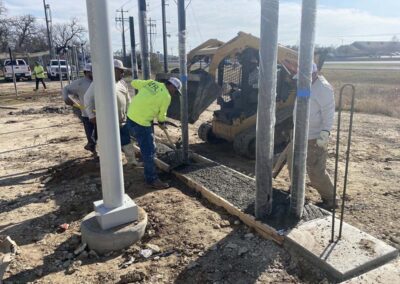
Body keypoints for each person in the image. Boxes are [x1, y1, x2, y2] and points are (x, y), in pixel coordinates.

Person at [287, 63, 337, 209]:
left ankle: (330, 198)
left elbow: (329, 113)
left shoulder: (324, 89)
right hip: (299, 135)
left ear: (314, 74)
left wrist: (325, 133)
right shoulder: (305, 86)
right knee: (292, 165)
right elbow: (302, 102)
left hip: (314, 137)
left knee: (315, 171)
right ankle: (297, 192)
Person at [125, 77, 182, 189]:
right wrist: (161, 122)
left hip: (130, 118)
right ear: (171, 85)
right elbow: (161, 115)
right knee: (150, 152)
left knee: (144, 145)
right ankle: (152, 179)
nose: (174, 92)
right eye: (175, 90)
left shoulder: (151, 83)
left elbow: (134, 83)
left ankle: (148, 168)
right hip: (142, 123)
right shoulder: (166, 96)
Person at [84, 59, 141, 165]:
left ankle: (131, 161)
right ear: (113, 70)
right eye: (120, 71)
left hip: (122, 120)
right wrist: (91, 116)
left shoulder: (122, 83)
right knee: (108, 143)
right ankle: (109, 165)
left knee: (126, 141)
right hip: (107, 122)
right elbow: (87, 98)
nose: (123, 73)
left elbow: (128, 100)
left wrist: (131, 114)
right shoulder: (100, 82)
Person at [62, 63, 95, 153]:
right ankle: (93, 149)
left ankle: (93, 146)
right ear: (87, 72)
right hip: (86, 113)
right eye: (92, 71)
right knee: (90, 133)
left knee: (98, 134)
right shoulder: (80, 83)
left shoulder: (98, 81)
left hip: (99, 113)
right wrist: (66, 98)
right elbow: (66, 89)